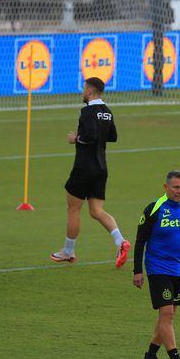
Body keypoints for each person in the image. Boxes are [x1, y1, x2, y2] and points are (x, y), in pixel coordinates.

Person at [50, 77, 130, 267]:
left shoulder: (87, 111)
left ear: (89, 91)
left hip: (84, 167)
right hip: (101, 167)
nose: (82, 92)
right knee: (96, 211)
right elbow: (113, 136)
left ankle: (68, 251)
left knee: (73, 209)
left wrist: (76, 139)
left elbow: (91, 135)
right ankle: (121, 241)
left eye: (84, 89)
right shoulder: (107, 112)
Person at [132, 170, 180, 359]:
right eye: (176, 187)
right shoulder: (155, 209)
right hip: (158, 267)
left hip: (178, 269)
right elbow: (140, 240)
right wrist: (137, 271)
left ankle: (150, 356)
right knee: (167, 314)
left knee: (169, 316)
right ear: (166, 188)